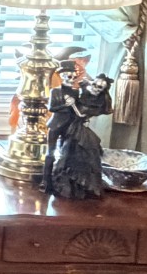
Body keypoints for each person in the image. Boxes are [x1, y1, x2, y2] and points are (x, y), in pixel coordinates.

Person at [43, 72, 114, 200]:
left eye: (99, 88)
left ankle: (76, 187)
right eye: (94, 84)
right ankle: (49, 183)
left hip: (77, 128)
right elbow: (54, 107)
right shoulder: (79, 91)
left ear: (103, 91)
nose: (95, 88)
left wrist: (73, 104)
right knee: (57, 154)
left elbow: (80, 113)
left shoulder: (96, 103)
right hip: (66, 127)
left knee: (78, 153)